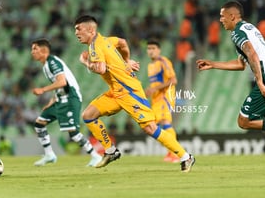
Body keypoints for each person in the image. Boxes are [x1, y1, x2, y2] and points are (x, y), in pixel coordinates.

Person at [74, 15, 195, 172]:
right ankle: (110, 151)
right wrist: (126, 61)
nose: (76, 33)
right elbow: (123, 43)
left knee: (150, 128)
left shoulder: (96, 46)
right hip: (116, 92)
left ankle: (186, 156)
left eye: (78, 29)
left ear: (90, 29)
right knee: (88, 115)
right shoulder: (106, 40)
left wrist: (85, 62)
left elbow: (101, 69)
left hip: (129, 91)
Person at [196, 0, 265, 171]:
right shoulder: (249, 28)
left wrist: (259, 83)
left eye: (222, 16)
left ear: (232, 16)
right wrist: (213, 64)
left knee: (244, 121)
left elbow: (252, 55)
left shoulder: (237, 34)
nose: (220, 20)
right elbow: (241, 64)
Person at [30, 38, 102, 167]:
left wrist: (43, 90)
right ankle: (49, 154)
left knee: (73, 133)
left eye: (35, 48)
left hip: (70, 98)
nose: (32, 52)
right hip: (59, 99)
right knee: (39, 124)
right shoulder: (46, 65)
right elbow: (58, 84)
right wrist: (51, 101)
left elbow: (62, 82)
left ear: (44, 50)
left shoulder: (52, 62)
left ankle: (95, 156)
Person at [145, 40, 180, 163]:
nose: (151, 51)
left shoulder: (163, 61)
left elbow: (173, 80)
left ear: (159, 50)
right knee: (156, 126)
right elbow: (155, 83)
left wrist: (155, 88)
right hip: (155, 99)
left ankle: (175, 154)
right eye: (149, 48)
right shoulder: (150, 66)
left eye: (153, 48)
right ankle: (171, 152)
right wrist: (150, 90)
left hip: (165, 97)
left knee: (165, 123)